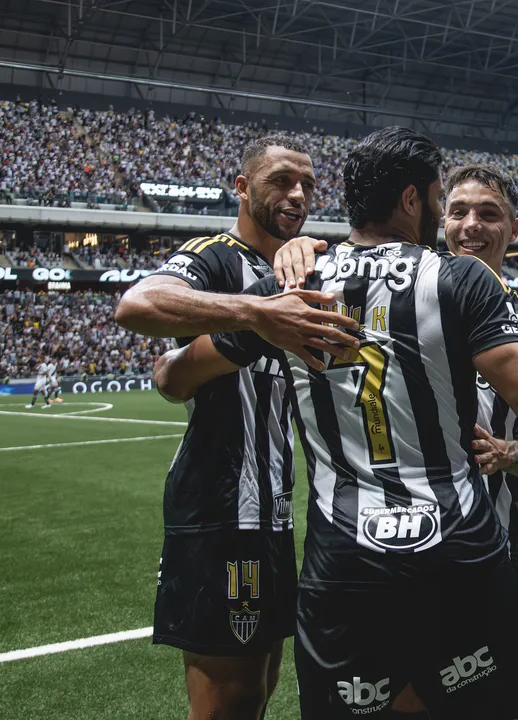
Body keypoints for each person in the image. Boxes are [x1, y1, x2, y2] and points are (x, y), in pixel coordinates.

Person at [152, 126, 518, 720]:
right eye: (439, 201)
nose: (443, 216)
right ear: (411, 201)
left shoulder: (291, 290)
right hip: (454, 546)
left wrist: (240, 321)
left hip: (345, 555)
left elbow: (176, 378)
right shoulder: (458, 278)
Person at [115, 134, 358, 720]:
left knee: (262, 683)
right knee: (230, 700)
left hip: (273, 508)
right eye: (280, 180)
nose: (297, 194)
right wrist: (257, 311)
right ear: (243, 188)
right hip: (221, 505)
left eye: (306, 185)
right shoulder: (215, 256)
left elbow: (175, 374)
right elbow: (138, 305)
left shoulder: (295, 265)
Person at [273, 163, 518, 584]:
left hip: (480, 542)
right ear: (441, 218)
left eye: (489, 214)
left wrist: (507, 455)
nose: (470, 226)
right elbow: (353, 256)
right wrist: (293, 248)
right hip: (373, 539)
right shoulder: (399, 286)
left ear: (514, 229)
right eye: (458, 212)